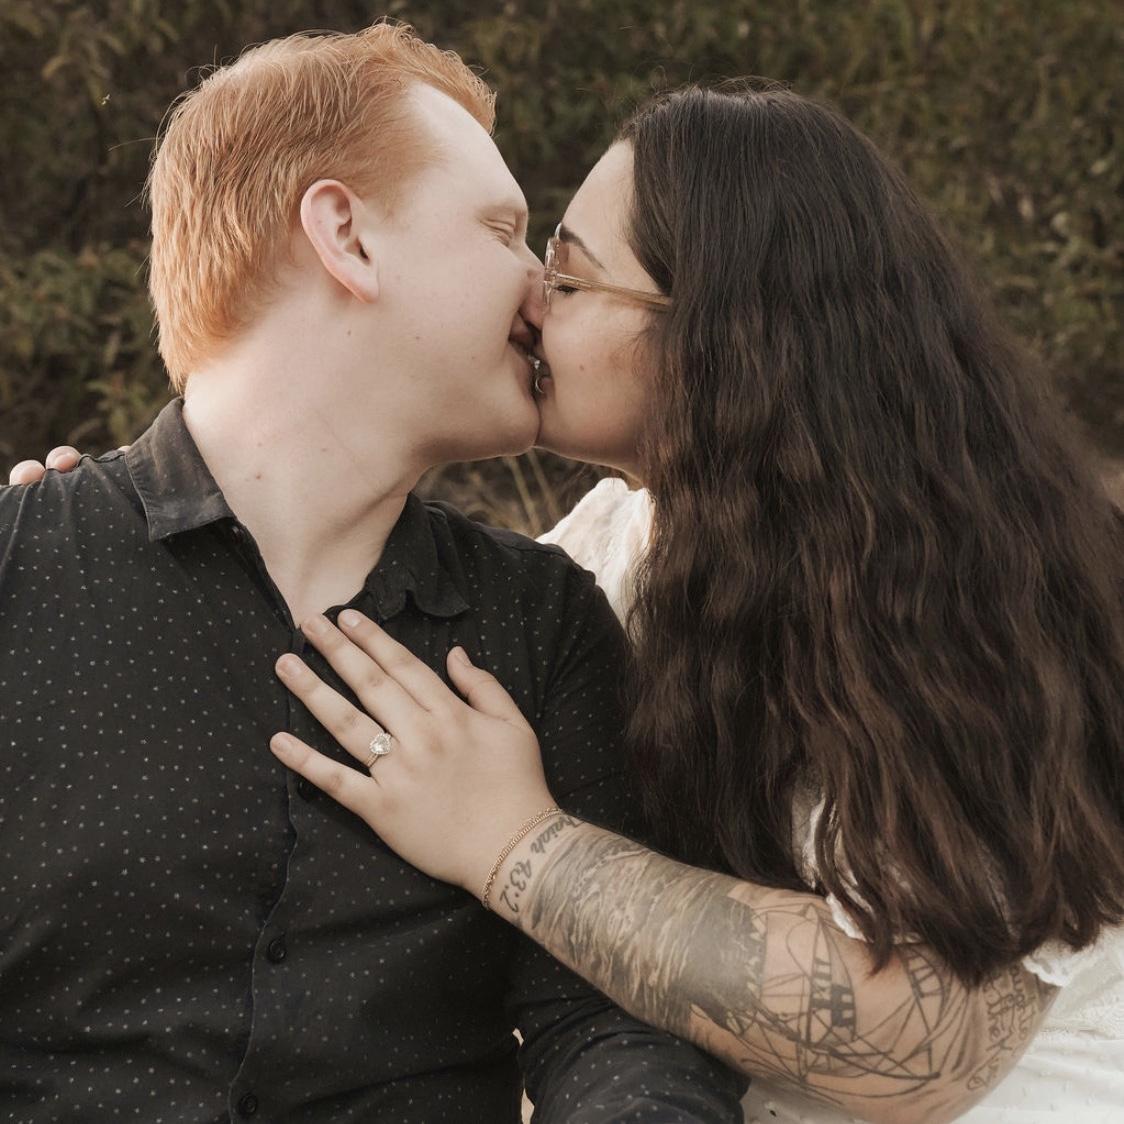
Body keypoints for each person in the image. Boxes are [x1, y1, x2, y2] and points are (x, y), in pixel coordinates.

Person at [15, 81, 1124, 1124]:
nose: (531, 301)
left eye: (569, 275)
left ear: (721, 331)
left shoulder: (961, 584)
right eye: (516, 245)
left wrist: (515, 843)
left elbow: (931, 1032)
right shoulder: (593, 565)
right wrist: (89, 533)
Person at [0, 25, 745, 1124]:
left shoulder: (542, 620)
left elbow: (609, 1026)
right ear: (345, 236)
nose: (541, 286)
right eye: (502, 230)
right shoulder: (23, 577)